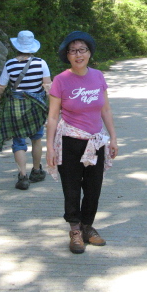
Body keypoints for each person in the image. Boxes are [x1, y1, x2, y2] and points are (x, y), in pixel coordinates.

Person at [45, 31, 118, 254]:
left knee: (94, 188)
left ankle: (88, 227)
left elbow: (105, 108)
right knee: (72, 188)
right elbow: (53, 116)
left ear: (89, 53)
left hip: (96, 142)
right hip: (69, 142)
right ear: (67, 55)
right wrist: (49, 147)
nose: (78, 55)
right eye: (73, 51)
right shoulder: (61, 80)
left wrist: (113, 137)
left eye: (82, 50)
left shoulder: (98, 76)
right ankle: (75, 229)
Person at [0, 30, 51, 190]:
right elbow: (48, 87)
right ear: (32, 47)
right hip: (35, 106)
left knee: (18, 141)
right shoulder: (41, 63)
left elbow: (1, 86)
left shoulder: (10, 64)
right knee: (36, 138)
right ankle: (37, 170)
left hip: (16, 105)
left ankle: (23, 176)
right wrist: (52, 107)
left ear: (17, 46)